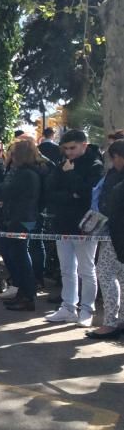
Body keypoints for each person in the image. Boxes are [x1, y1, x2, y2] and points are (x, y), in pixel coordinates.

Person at [43, 129, 104, 326]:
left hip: (85, 226)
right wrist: (71, 195)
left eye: (73, 148)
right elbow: (50, 191)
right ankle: (68, 307)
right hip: (63, 223)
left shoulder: (95, 165)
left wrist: (70, 178)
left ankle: (87, 309)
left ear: (84, 145)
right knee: (66, 269)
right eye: (66, 148)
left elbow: (87, 194)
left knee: (86, 269)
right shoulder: (62, 163)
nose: (69, 152)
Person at [0, 140, 42, 311]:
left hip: (20, 219)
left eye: (13, 153)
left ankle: (27, 295)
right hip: (21, 218)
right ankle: (23, 293)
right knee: (16, 256)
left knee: (20, 258)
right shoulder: (27, 172)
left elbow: (4, 191)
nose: (10, 156)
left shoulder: (25, 174)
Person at [87, 140, 124, 339]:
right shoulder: (113, 174)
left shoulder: (115, 177)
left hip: (115, 234)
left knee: (106, 274)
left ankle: (110, 322)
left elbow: (111, 205)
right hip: (115, 233)